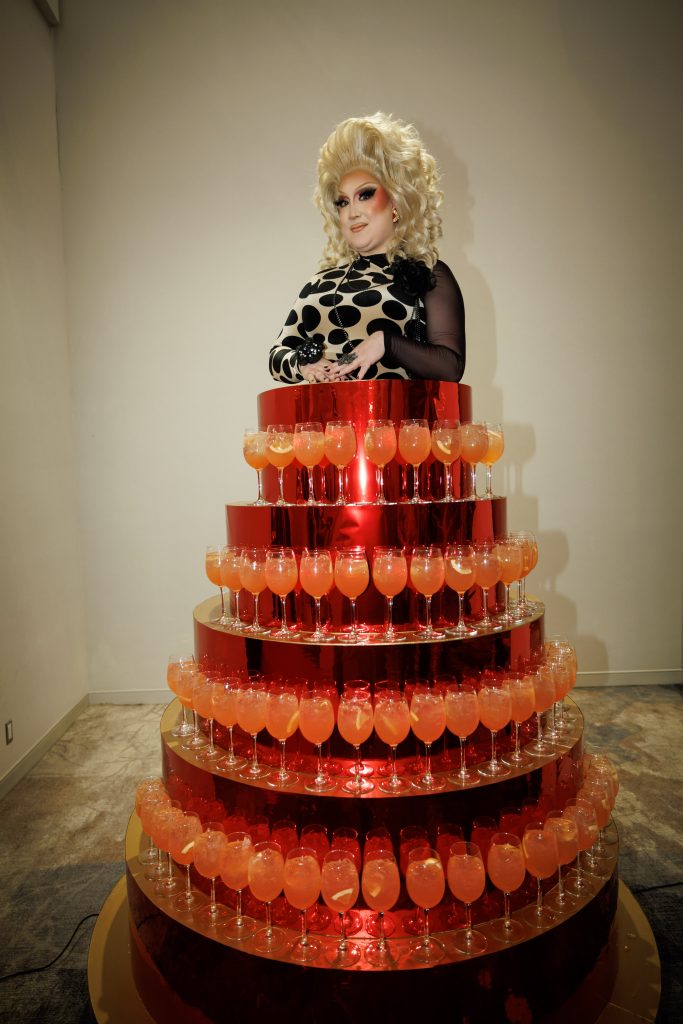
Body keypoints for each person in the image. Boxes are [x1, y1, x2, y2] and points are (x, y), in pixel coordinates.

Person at [269, 112, 466, 385]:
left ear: (396, 200)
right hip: (327, 414)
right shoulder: (320, 284)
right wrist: (302, 363)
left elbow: (450, 367)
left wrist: (386, 342)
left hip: (401, 414)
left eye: (365, 195)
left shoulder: (430, 274)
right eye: (343, 202)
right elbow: (277, 355)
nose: (352, 212)